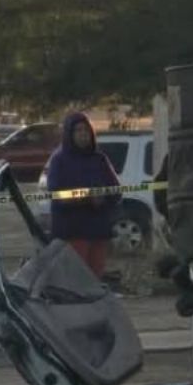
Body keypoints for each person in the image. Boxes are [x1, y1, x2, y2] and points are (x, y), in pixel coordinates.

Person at [45, 112, 121, 278]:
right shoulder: (59, 161)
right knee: (76, 279)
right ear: (69, 134)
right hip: (72, 230)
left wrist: (103, 198)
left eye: (86, 130)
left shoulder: (99, 159)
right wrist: (86, 198)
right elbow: (56, 194)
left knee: (95, 279)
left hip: (98, 229)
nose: (83, 134)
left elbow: (116, 190)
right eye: (78, 130)